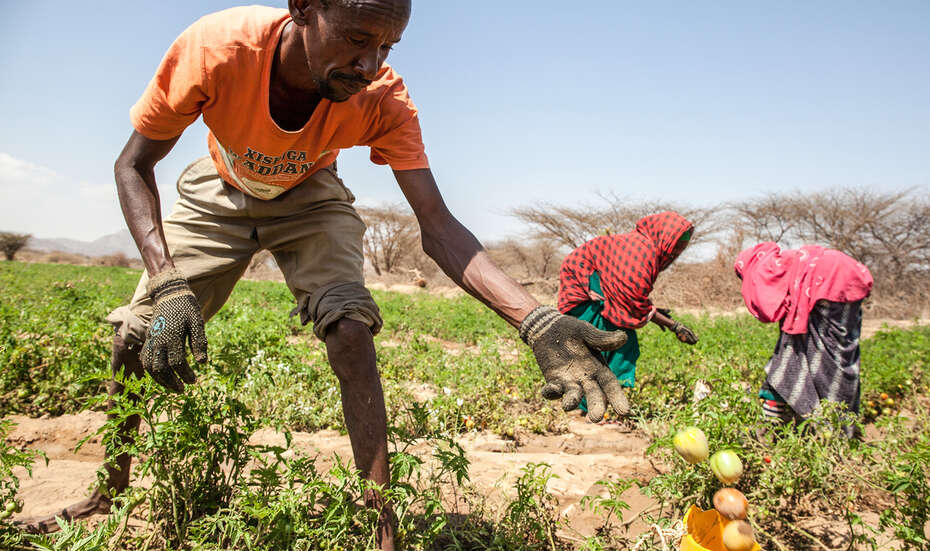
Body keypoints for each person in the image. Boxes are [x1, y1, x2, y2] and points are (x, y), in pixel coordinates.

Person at [21, 2, 632, 547]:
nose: (369, 64)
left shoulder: (384, 99)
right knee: (134, 336)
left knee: (350, 330)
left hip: (311, 197)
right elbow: (132, 165)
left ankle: (379, 526)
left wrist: (537, 320)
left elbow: (439, 225)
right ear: (303, 9)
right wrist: (167, 280)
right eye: (357, 39)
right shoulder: (217, 49)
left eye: (386, 47)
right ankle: (109, 492)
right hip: (219, 190)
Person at [557, 211, 699, 414]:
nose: (677, 250)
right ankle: (589, 409)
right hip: (586, 296)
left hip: (595, 296)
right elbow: (631, 301)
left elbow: (630, 297)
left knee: (607, 348)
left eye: (682, 245)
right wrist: (673, 325)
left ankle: (589, 408)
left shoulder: (642, 247)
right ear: (664, 236)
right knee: (615, 346)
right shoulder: (641, 253)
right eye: (676, 243)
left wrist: (658, 315)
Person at [734, 242, 873, 436]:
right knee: (838, 350)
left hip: (829, 280)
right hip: (848, 276)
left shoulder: (763, 269)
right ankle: (832, 424)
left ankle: (831, 428)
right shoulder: (780, 261)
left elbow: (768, 308)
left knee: (812, 357)